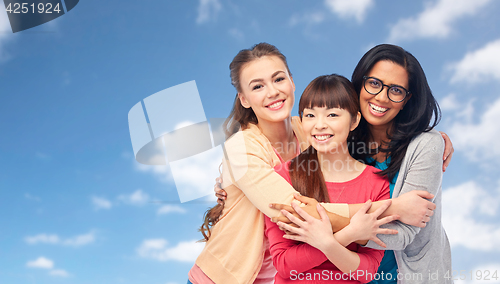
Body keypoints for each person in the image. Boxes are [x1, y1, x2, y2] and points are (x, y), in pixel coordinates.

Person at [188, 43, 401, 284]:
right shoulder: (240, 147)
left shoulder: (310, 128)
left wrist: (434, 139)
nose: (272, 92)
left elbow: (359, 129)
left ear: (292, 82)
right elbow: (292, 210)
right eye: (258, 86)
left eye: (278, 79)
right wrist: (390, 210)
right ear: (244, 99)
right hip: (221, 277)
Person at [273, 44, 453, 283]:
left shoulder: (425, 146)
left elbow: (402, 233)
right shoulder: (340, 139)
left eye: (396, 90)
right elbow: (274, 133)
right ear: (360, 83)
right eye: (374, 83)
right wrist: (231, 184)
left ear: (408, 100)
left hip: (410, 276)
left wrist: (317, 220)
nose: (381, 97)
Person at [266, 74, 392, 283]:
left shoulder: (377, 183)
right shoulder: (282, 176)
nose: (320, 125)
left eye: (332, 115)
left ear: (354, 121)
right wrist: (348, 234)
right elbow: (284, 264)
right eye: (310, 115)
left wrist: (326, 242)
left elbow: (367, 271)